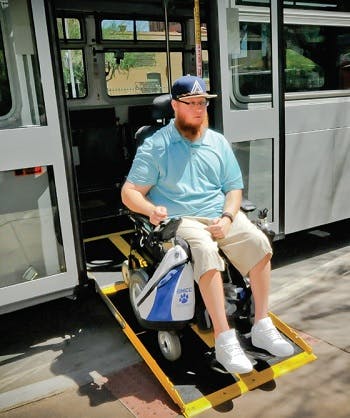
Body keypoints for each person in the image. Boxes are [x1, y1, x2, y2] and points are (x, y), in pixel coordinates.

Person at [121, 74, 294, 374]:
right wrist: (150, 209)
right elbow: (129, 192)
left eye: (203, 103)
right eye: (192, 103)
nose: (199, 109)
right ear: (175, 105)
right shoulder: (156, 145)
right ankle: (224, 340)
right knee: (204, 249)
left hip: (218, 214)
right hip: (181, 218)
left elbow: (234, 188)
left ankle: (262, 325)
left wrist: (228, 218)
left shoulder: (217, 142)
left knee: (259, 242)